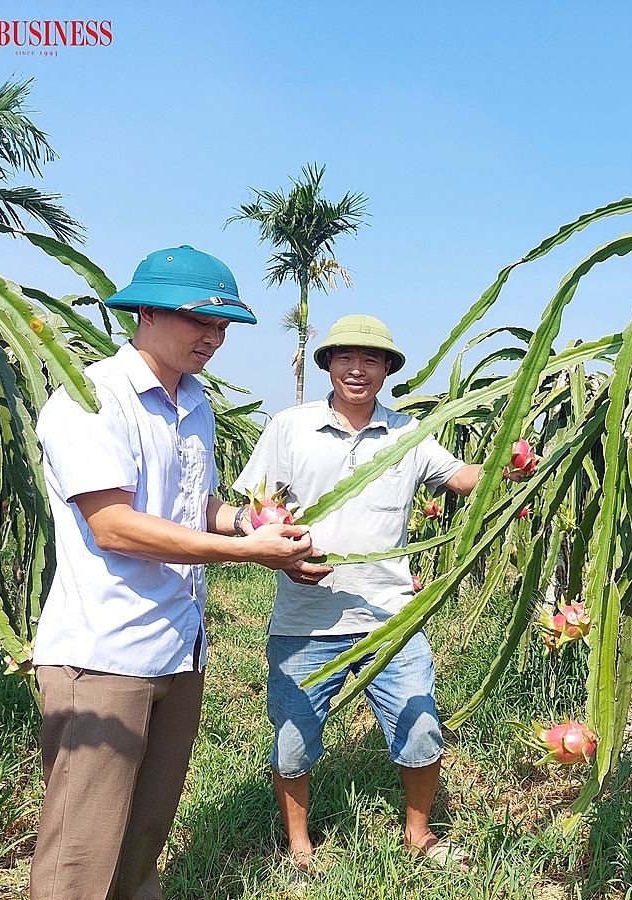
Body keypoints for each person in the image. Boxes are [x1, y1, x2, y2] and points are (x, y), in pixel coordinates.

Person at [29, 246, 317, 900]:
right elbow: (114, 526)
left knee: (142, 838)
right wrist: (248, 554)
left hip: (179, 649)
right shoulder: (93, 400)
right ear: (148, 313)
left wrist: (250, 525)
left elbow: (195, 504)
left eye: (222, 326)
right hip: (105, 654)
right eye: (199, 322)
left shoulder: (195, 403)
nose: (214, 338)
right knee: (80, 853)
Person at [235, 314, 498, 873]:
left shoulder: (409, 434)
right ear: (328, 364)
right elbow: (257, 507)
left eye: (371, 359)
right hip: (305, 619)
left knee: (421, 730)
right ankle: (299, 847)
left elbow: (460, 477)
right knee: (293, 740)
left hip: (391, 617)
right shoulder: (288, 428)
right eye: (346, 357)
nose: (357, 369)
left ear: (387, 370)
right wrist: (274, 550)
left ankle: (418, 836)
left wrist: (515, 466)